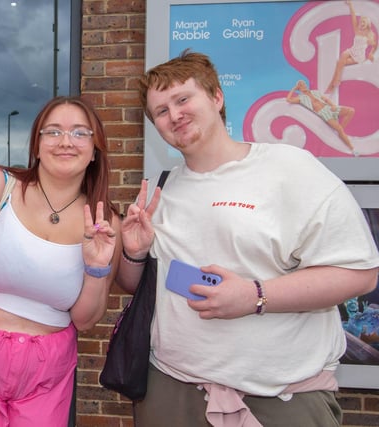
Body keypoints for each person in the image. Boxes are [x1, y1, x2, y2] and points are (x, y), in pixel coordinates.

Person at [116, 49, 379, 427]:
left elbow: (359, 273)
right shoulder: (163, 188)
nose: (174, 115)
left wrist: (254, 296)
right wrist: (135, 254)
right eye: (160, 111)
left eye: (183, 99)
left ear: (217, 97)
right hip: (169, 391)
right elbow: (136, 287)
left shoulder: (289, 168)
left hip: (278, 400)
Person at [0, 96, 121, 426]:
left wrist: (96, 268)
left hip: (47, 375)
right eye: (53, 131)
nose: (65, 142)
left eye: (79, 133)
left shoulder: (104, 223)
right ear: (37, 143)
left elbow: (85, 320)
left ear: (95, 150)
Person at [285, 79, 357, 155]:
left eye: (304, 83)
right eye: (301, 84)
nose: (304, 85)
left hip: (329, 108)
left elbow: (326, 99)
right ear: (298, 88)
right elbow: (288, 100)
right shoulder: (301, 98)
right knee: (339, 129)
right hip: (323, 113)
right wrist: (293, 89)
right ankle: (352, 148)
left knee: (351, 111)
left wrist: (333, 106)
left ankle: (340, 132)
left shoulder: (315, 92)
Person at [326, 0, 377, 93]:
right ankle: (336, 81)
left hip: (359, 56)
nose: (361, 24)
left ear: (367, 24)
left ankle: (331, 86)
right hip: (351, 51)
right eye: (361, 22)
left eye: (363, 23)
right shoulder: (357, 30)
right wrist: (350, 5)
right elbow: (353, 16)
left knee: (339, 63)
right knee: (344, 54)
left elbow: (375, 45)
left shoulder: (369, 35)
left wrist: (371, 54)